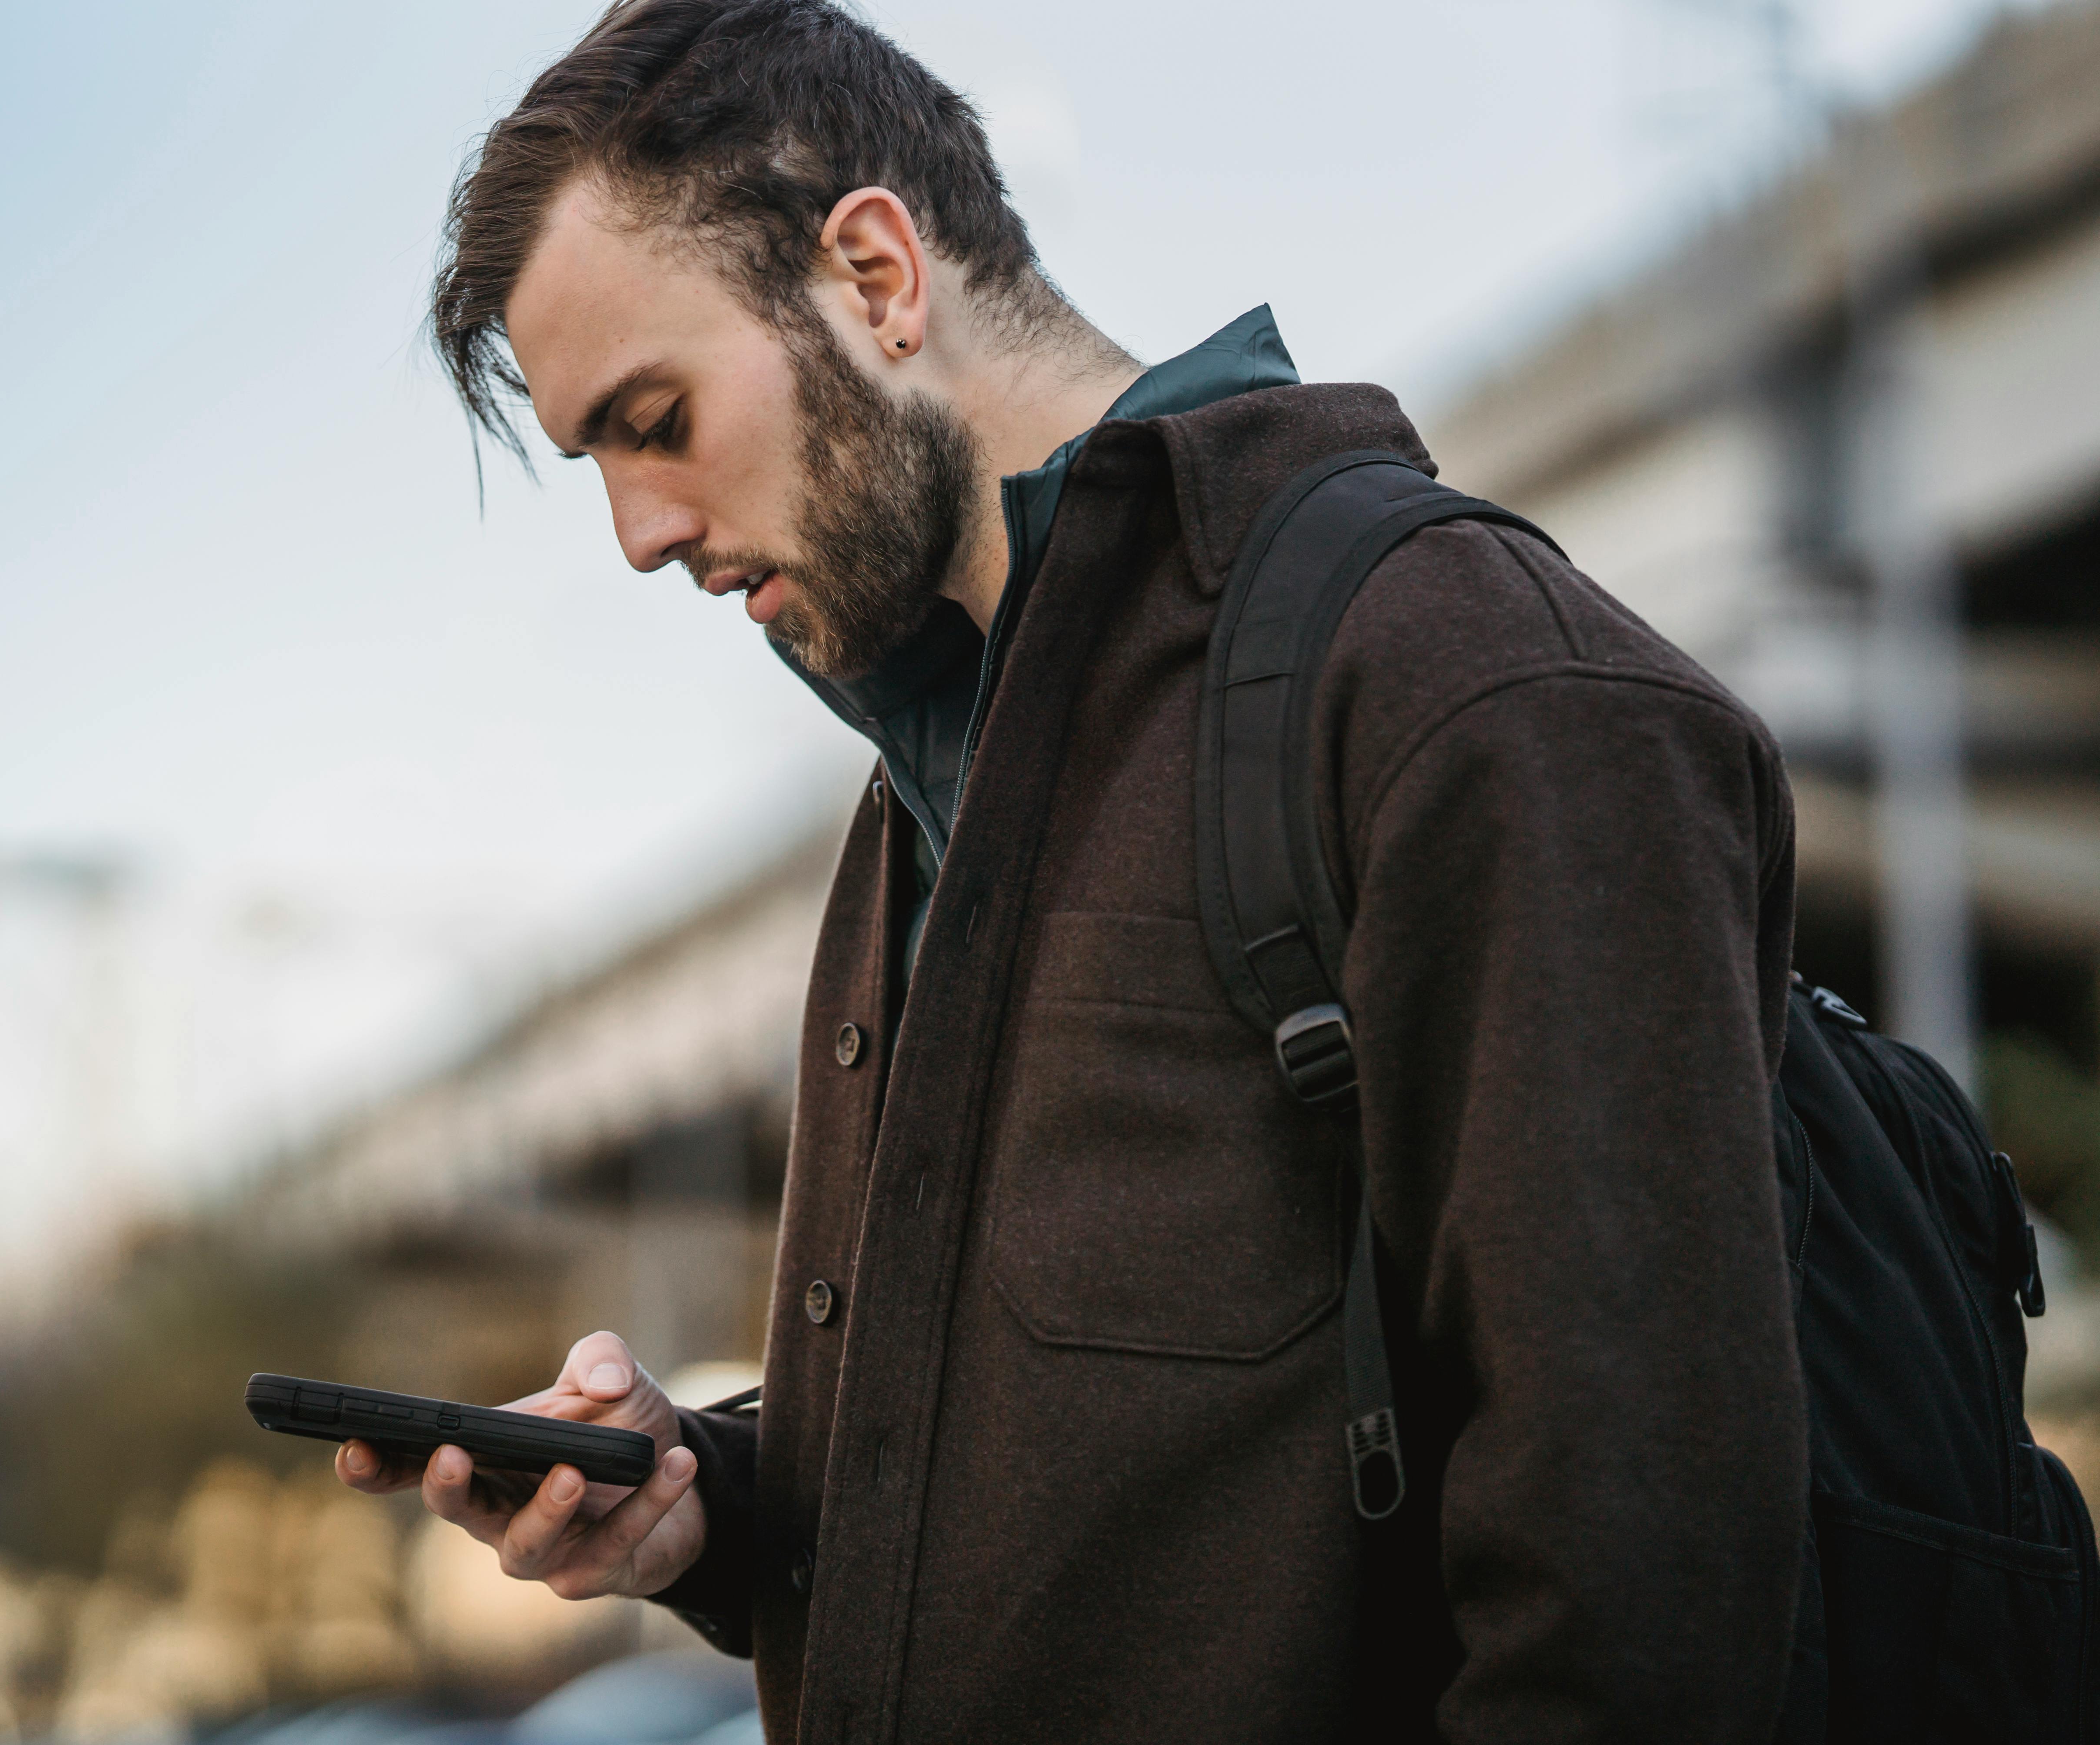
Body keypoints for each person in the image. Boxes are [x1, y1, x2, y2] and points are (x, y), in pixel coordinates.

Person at [339, 2, 1807, 1738]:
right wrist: (712, 1509)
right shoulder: (934, 791)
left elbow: (1642, 1598)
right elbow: (1128, 1481)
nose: (641, 535)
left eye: (656, 418)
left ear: (878, 275)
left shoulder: (1461, 684)